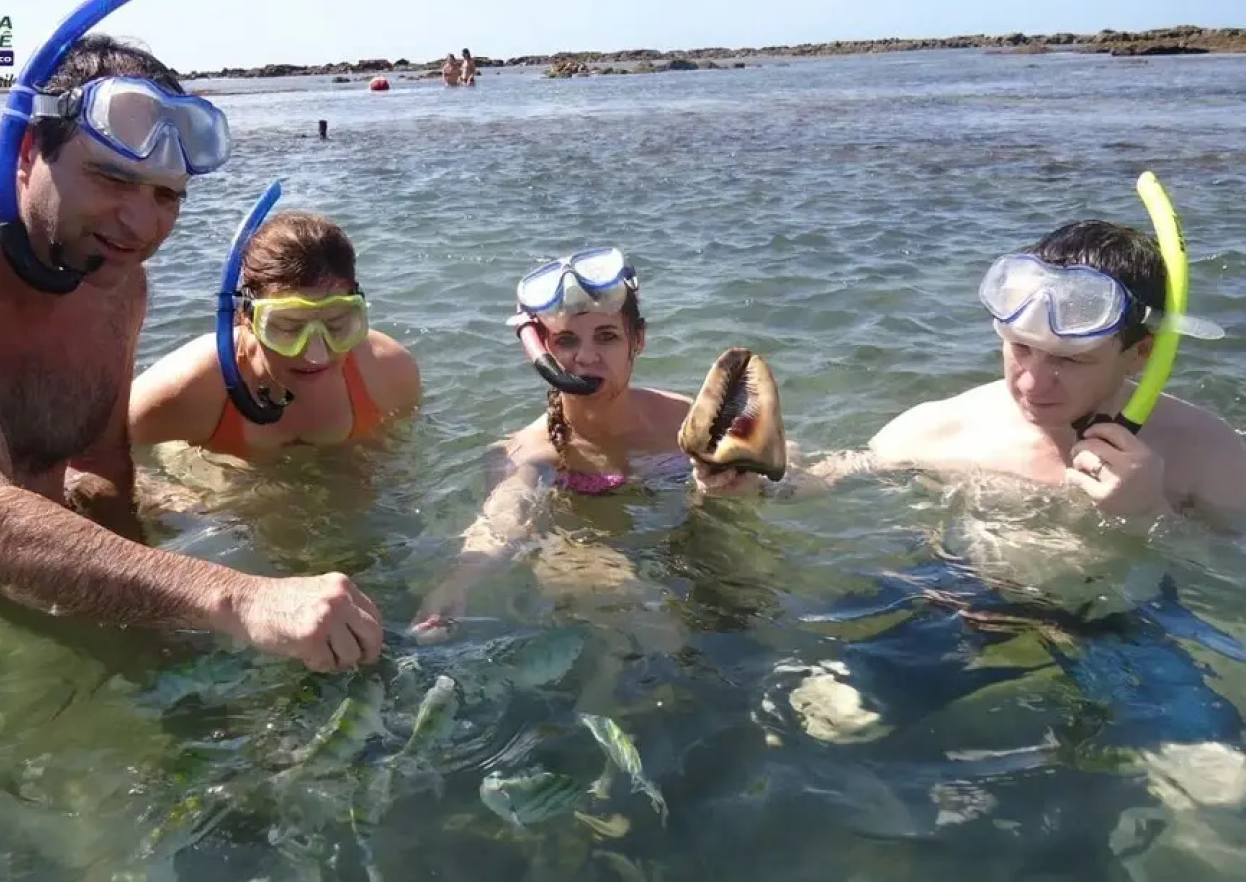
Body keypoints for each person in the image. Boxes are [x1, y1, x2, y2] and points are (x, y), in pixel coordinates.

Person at [0, 0, 382, 674]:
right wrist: (237, 598)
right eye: (110, 179)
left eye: (166, 196)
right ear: (26, 154)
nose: (140, 225)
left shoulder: (115, 282)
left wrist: (160, 648)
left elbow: (104, 470)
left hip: (42, 582)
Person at [698, 218, 1246, 532]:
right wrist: (744, 480)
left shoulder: (1209, 454)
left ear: (1140, 353)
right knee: (826, 714)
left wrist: (1149, 514)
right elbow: (828, 478)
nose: (1031, 383)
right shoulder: (946, 427)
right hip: (963, 607)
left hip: (1125, 629)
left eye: (1071, 360)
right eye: (1019, 350)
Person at [410, 247, 783, 634]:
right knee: (642, 613)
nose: (586, 356)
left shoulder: (681, 420)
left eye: (606, 337)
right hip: (583, 557)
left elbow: (785, 478)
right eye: (567, 341)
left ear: (637, 340)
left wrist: (751, 481)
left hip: (677, 543)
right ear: (543, 352)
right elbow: (501, 523)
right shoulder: (525, 453)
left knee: (754, 591)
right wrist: (455, 584)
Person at [128, 206, 421, 460]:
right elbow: (94, 453)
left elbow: (402, 460)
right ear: (246, 317)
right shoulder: (191, 387)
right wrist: (165, 497)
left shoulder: (391, 372)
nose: (315, 354)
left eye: (336, 324)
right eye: (289, 327)